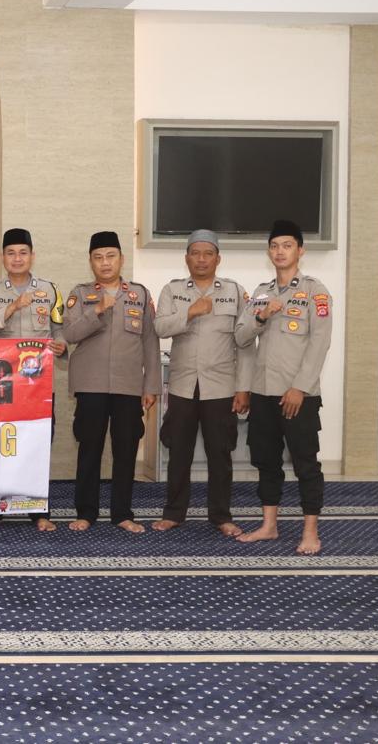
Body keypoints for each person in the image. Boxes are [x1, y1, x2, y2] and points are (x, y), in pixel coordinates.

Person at [233, 219, 332, 555]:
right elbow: (241, 337)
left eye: (287, 245)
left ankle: (310, 532)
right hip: (263, 393)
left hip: (298, 395)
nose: (280, 251)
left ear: (300, 251)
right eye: (275, 246)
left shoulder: (316, 291)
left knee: (306, 463)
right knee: (266, 461)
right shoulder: (262, 293)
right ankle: (269, 526)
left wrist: (300, 388)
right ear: (269, 252)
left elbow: (320, 343)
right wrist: (261, 317)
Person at [152, 230, 253, 538]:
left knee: (220, 454)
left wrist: (243, 387)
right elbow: (159, 327)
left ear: (218, 259)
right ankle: (173, 513)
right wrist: (190, 312)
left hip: (221, 387)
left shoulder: (235, 292)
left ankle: (221, 515)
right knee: (178, 452)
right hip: (183, 385)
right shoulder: (172, 290)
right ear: (187, 258)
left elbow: (245, 343)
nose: (201, 259)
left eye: (208, 254)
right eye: (195, 253)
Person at [61, 231, 161, 533]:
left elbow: (150, 341)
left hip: (128, 385)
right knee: (89, 449)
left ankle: (122, 513)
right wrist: (96, 310)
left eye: (110, 256)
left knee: (126, 450)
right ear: (91, 262)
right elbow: (69, 334)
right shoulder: (80, 294)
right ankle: (86, 512)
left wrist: (151, 385)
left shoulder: (139, 294)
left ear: (121, 259)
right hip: (90, 384)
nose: (105, 263)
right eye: (98, 257)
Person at [0, 227, 66, 531]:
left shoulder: (50, 290)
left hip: (38, 387)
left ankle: (39, 511)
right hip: (2, 386)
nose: (17, 258)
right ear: (3, 257)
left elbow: (59, 329)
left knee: (37, 447)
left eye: (23, 252)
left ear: (32, 256)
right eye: (11, 253)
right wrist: (12, 307)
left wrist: (61, 345)